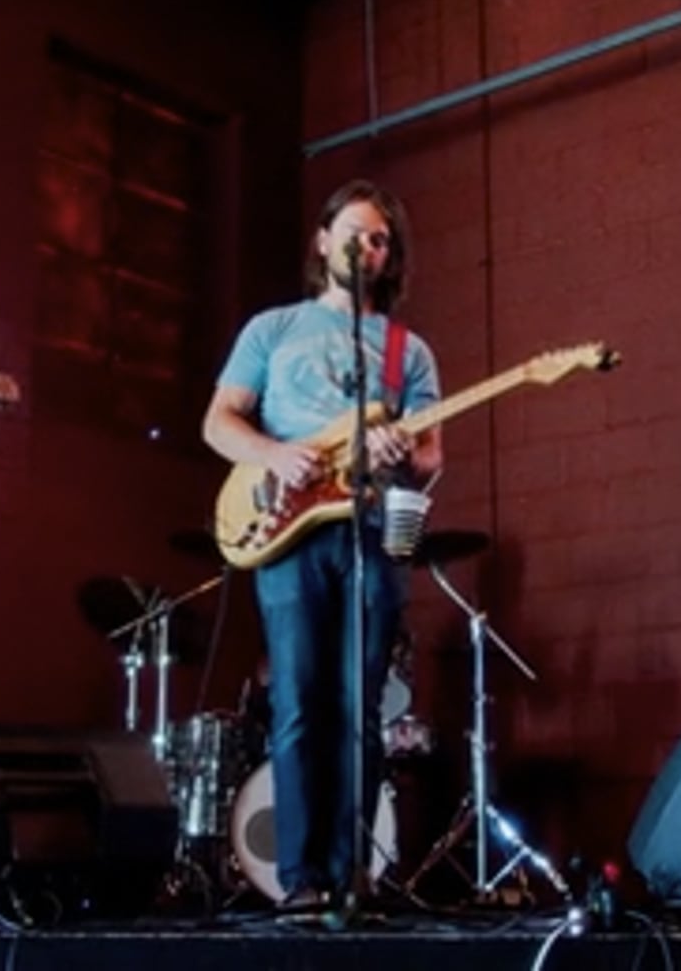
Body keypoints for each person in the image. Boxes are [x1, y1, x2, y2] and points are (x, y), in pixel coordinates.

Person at [202, 179, 443, 912]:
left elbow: (431, 457)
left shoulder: (406, 351)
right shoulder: (273, 329)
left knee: (359, 706)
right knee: (299, 700)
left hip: (368, 529)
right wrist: (274, 455)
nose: (364, 247)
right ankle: (301, 880)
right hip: (286, 529)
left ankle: (351, 873)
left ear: (389, 256)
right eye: (353, 233)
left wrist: (403, 453)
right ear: (322, 241)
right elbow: (219, 421)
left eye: (378, 239)